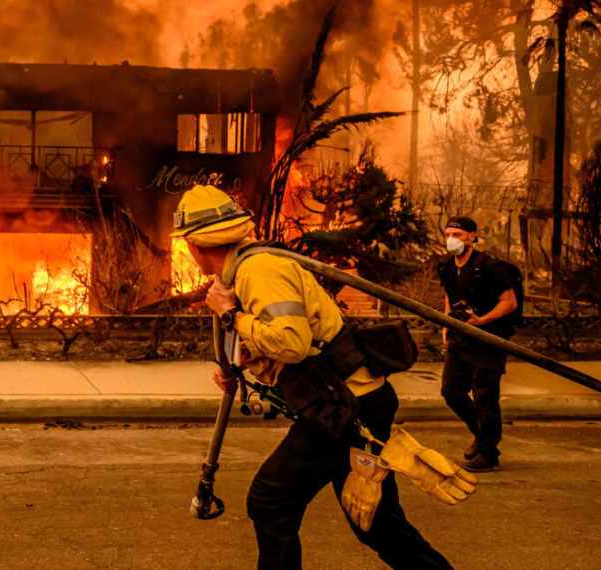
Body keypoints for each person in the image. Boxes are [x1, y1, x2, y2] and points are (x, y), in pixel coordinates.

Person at [172, 185, 454, 570]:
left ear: (194, 244)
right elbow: (275, 339)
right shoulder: (241, 273)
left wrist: (229, 315)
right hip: (351, 402)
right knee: (375, 524)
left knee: (270, 500)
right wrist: (239, 367)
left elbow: (292, 342)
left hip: (344, 408)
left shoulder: (259, 271)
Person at [437, 216, 518, 472]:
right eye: (448, 234)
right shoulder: (447, 265)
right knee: (452, 392)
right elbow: (450, 297)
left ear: (472, 236)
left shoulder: (488, 266)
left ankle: (488, 453)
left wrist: (481, 321)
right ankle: (482, 436)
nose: (451, 240)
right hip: (459, 338)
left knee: (485, 397)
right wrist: (446, 324)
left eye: (457, 235)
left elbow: (509, 302)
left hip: (488, 339)